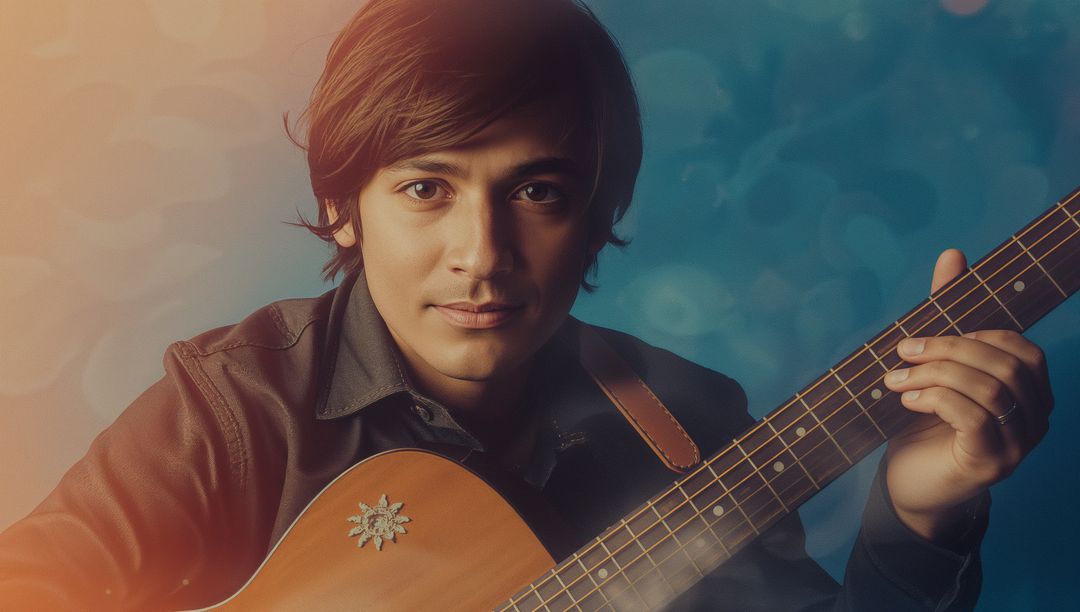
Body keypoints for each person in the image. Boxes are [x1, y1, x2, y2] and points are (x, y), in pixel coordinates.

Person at [0, 0, 1054, 610]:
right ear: (342, 206)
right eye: (427, 187)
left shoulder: (688, 419)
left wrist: (924, 504)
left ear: (599, 215)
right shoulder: (240, 406)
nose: (483, 253)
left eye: (539, 192)